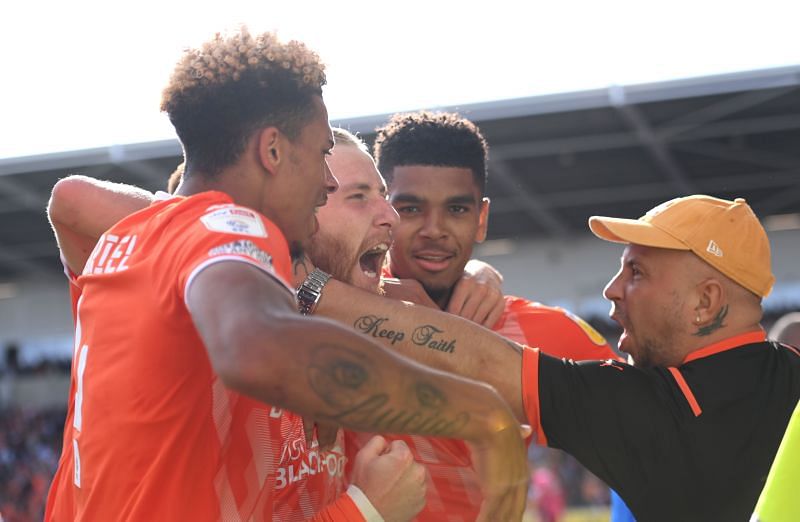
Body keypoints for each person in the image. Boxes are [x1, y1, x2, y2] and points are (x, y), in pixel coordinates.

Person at [43, 28, 529, 522]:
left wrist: (476, 270)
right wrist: (471, 421)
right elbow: (258, 349)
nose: (327, 181)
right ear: (272, 152)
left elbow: (68, 198)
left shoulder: (136, 240)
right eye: (322, 155)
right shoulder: (230, 227)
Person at [310, 194, 800, 521]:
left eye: (637, 273)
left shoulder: (654, 409)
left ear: (705, 303)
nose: (612, 290)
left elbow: (483, 363)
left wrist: (303, 287)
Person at [338, 110, 619, 521]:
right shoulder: (332, 309)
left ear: (482, 218)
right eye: (412, 209)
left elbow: (651, 444)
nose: (434, 229)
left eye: (456, 210)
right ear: (382, 211)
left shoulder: (543, 331)